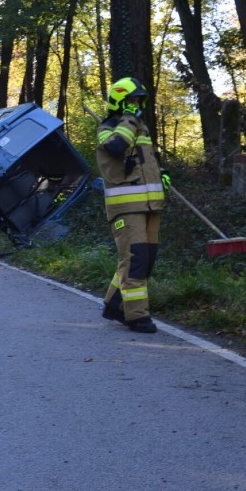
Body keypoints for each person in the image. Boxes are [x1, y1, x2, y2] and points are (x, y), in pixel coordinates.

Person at [96, 77, 168, 334]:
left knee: (144, 261)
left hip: (150, 205)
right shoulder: (108, 127)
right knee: (135, 259)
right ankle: (137, 316)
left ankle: (115, 305)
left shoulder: (142, 129)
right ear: (119, 100)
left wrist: (163, 175)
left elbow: (147, 160)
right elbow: (117, 147)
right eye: (132, 100)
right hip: (126, 207)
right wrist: (129, 118)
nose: (137, 105)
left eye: (139, 100)